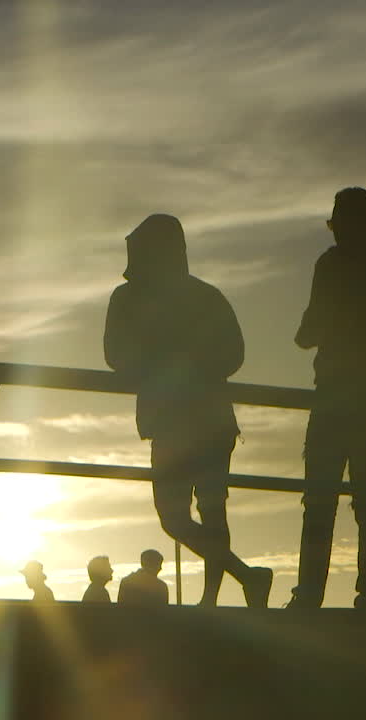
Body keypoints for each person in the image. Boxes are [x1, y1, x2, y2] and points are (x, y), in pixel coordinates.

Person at [104, 213, 273, 608]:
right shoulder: (148, 297)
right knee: (185, 515)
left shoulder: (178, 297)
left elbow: (233, 354)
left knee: (202, 512)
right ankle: (245, 578)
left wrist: (165, 364)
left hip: (193, 422)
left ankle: (219, 593)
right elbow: (116, 354)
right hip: (190, 421)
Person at [291, 188, 366, 609]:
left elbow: (308, 332)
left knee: (320, 499)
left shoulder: (332, 264)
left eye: (337, 223)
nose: (335, 231)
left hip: (337, 397)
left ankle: (309, 593)